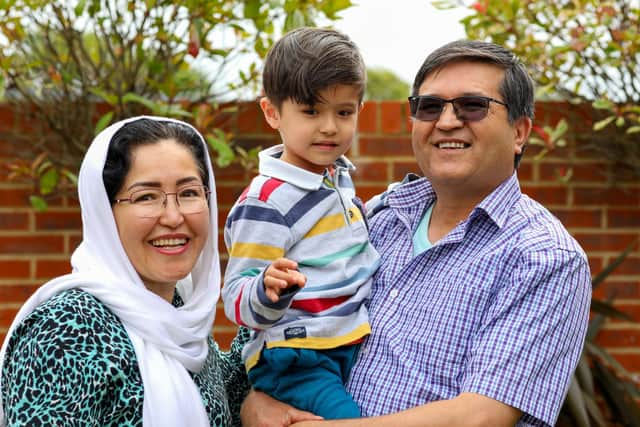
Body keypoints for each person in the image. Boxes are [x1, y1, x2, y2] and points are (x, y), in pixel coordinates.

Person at [243, 40, 592, 427]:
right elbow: (284, 322)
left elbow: (480, 417)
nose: (446, 122)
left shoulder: (544, 257)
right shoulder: (376, 217)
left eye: (472, 106)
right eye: (430, 106)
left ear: (520, 132)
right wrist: (256, 403)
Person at [0, 116, 317, 427]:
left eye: (189, 192)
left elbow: (225, 392)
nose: (173, 216)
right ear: (104, 212)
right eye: (146, 197)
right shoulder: (65, 329)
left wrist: (270, 298)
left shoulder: (175, 317)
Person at [221, 27, 380, 420]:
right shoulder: (268, 200)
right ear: (272, 112)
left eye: (343, 112)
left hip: (339, 342)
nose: (329, 126)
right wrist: (267, 288)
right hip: (299, 357)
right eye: (311, 111)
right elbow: (236, 299)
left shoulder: (336, 176)